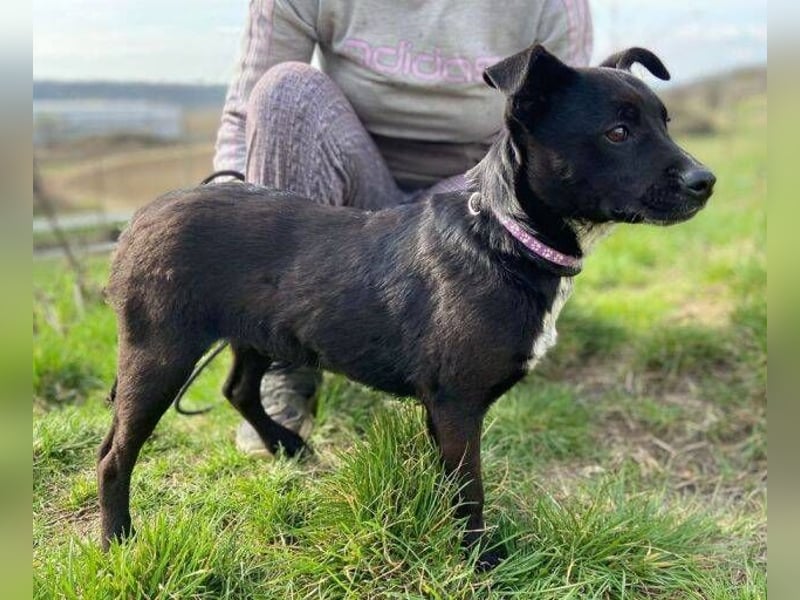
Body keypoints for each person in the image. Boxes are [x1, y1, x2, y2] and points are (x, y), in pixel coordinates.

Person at [212, 0, 593, 455]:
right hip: (355, 184)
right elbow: (242, 115)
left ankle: (492, 336)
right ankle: (283, 357)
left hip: (474, 182)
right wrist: (228, 222)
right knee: (284, 90)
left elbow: (575, 115)